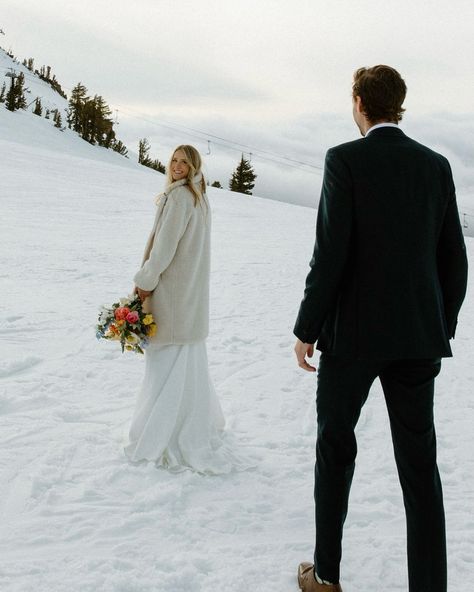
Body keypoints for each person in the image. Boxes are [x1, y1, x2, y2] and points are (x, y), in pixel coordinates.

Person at [294, 65, 468, 592]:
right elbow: (455, 260)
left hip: (353, 340)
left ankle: (325, 577)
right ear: (399, 104)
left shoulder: (344, 159)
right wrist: (438, 324)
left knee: (335, 449)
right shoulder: (436, 166)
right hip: (418, 340)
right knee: (421, 468)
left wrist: (307, 326)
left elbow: (331, 254)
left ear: (359, 102)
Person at [125, 145, 232, 474]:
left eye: (185, 162)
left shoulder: (180, 198)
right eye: (174, 160)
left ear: (194, 166)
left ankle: (162, 434)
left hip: (171, 295)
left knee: (163, 366)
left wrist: (144, 281)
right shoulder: (199, 198)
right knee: (186, 368)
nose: (178, 165)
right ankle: (192, 426)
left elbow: (164, 248)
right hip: (190, 299)